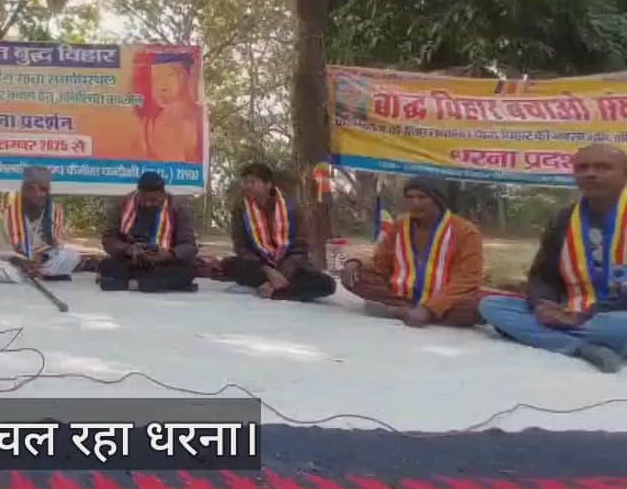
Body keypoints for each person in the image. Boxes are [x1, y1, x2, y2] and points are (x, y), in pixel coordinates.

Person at [479, 144, 627, 373]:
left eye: (603, 167)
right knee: (492, 306)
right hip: (570, 308)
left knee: (619, 325)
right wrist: (542, 305)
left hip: (612, 313)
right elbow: (542, 274)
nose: (590, 173)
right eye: (582, 168)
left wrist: (583, 316)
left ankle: (559, 338)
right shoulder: (564, 218)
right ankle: (580, 347)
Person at [340, 176, 485, 327]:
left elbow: (468, 278)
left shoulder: (466, 231)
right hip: (401, 294)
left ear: (438, 200)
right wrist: (355, 262)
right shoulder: (399, 225)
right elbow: (380, 262)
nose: (415, 203)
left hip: (445, 298)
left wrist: (429, 309)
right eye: (410, 197)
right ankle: (407, 310)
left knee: (473, 308)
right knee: (354, 276)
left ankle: (401, 312)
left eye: (422, 197)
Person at [223, 163, 335, 301]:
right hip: (259, 266)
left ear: (268, 184)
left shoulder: (291, 208)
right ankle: (285, 289)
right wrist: (269, 271)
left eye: (252, 182)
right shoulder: (240, 209)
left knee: (328, 284)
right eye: (245, 183)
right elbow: (241, 247)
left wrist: (282, 274)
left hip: (289, 265)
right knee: (229, 265)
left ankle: (277, 291)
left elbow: (300, 248)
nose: (247, 187)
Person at [98, 172, 198, 292]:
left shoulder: (177, 207)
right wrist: (127, 249)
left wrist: (170, 254)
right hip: (131, 261)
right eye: (143, 199)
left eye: (153, 200)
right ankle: (151, 284)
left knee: (187, 271)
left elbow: (189, 245)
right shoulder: (122, 204)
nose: (148, 203)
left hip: (164, 263)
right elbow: (109, 238)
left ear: (163, 194)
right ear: (138, 192)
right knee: (107, 265)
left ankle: (131, 283)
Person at [0, 166, 82, 284]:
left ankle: (41, 273)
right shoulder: (10, 213)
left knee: (72, 256)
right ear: (27, 190)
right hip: (17, 264)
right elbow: (2, 249)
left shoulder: (54, 212)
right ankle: (34, 275)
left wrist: (42, 258)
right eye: (42, 190)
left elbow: (55, 246)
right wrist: (21, 262)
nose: (46, 195)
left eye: (47, 190)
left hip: (43, 264)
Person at [138, 52, 204, 162]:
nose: (161, 84)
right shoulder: (147, 126)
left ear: (186, 75)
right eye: (156, 77)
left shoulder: (200, 119)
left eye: (169, 75)